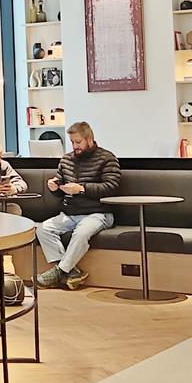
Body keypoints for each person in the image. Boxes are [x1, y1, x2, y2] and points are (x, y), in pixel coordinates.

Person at [34, 121, 121, 290]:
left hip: (98, 213)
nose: (75, 146)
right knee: (43, 229)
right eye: (72, 142)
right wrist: (55, 187)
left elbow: (112, 187)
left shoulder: (107, 158)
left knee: (81, 232)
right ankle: (71, 272)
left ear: (89, 139)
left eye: (78, 142)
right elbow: (61, 188)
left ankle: (59, 271)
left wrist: (82, 188)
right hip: (70, 213)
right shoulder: (66, 159)